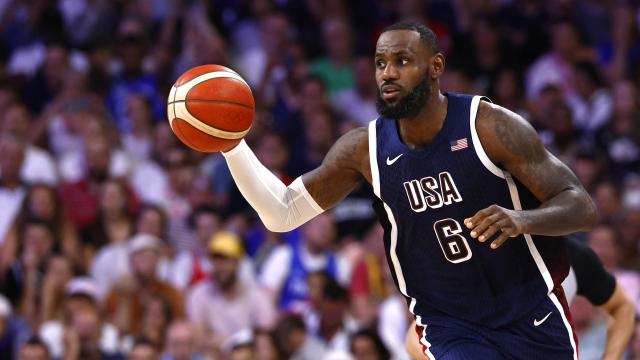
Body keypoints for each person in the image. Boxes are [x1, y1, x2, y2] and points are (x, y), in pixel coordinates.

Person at [221, 21, 596, 359]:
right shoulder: (364, 150)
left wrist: (523, 219)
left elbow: (580, 205)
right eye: (381, 63)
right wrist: (230, 144)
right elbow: (282, 211)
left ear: (435, 67)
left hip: (530, 311)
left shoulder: (488, 126)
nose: (388, 73)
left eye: (402, 61)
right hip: (451, 324)